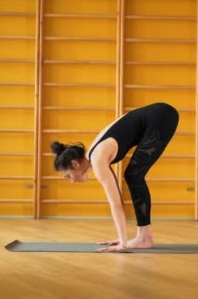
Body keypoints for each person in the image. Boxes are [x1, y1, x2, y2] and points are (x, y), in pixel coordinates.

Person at [50, 102, 179, 252]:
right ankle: (144, 236)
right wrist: (122, 238)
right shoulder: (94, 153)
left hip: (161, 116)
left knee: (134, 175)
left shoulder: (97, 158)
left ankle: (144, 237)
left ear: (75, 164)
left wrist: (123, 244)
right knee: (132, 175)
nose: (71, 181)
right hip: (159, 114)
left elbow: (116, 203)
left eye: (68, 176)